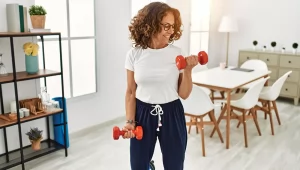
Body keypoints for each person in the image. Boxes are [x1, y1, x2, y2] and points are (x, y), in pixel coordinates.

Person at [123, 2, 198, 170]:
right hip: (142, 113)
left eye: (173, 26)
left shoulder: (177, 53)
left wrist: (188, 71)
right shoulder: (134, 54)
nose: (171, 31)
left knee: (174, 165)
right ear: (151, 24)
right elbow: (130, 92)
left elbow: (184, 94)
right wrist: (130, 121)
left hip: (172, 113)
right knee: (138, 165)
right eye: (166, 26)